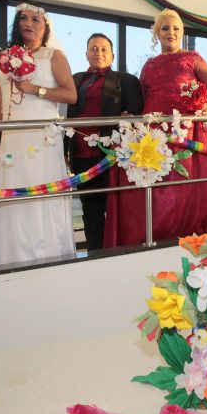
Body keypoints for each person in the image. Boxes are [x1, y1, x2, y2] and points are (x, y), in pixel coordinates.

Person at [102, 9, 207, 246]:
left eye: (176, 28)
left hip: (188, 130)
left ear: (182, 32)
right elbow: (143, 96)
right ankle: (159, 234)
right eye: (165, 28)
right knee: (159, 185)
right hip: (155, 131)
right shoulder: (149, 65)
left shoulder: (194, 58)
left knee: (191, 184)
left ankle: (196, 235)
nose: (171, 33)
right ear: (157, 33)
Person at [0, 3, 78, 267]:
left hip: (42, 138)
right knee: (10, 194)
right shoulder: (6, 59)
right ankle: (8, 257)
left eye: (36, 19)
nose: (29, 23)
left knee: (40, 194)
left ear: (45, 26)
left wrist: (36, 89)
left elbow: (71, 94)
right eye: (23, 18)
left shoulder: (53, 56)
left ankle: (46, 256)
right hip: (13, 138)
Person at [66, 33, 143, 251]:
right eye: (93, 49)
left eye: (103, 49)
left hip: (114, 156)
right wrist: (64, 150)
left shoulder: (127, 80)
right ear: (86, 53)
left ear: (112, 55)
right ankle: (95, 254)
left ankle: (122, 253)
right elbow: (66, 119)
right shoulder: (75, 79)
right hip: (81, 155)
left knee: (120, 208)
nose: (98, 53)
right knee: (90, 211)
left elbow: (136, 115)